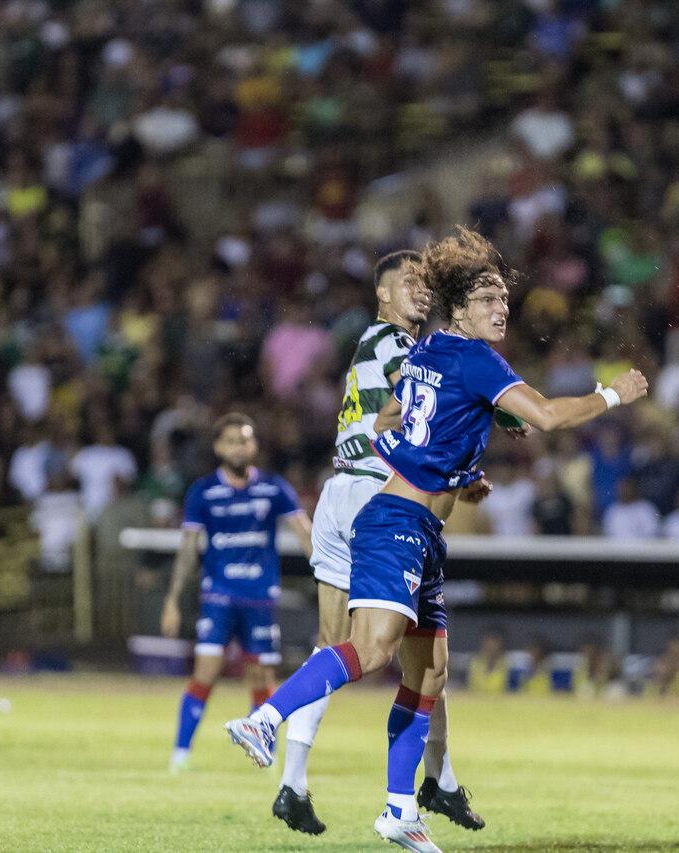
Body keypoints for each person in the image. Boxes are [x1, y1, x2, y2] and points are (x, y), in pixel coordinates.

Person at [225, 226, 648, 852]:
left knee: (430, 674)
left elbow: (390, 420)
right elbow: (551, 417)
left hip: (421, 529)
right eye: (486, 298)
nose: (500, 307)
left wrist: (453, 471)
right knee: (368, 652)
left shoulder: (426, 351)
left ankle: (400, 811)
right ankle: (264, 720)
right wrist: (614, 393)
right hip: (394, 524)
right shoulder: (476, 359)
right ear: (458, 307)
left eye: (503, 297)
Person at [273, 250, 484, 836]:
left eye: (424, 282)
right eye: (407, 282)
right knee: (421, 654)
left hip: (341, 496)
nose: (420, 289)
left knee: (333, 644)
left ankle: (293, 781)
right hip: (379, 502)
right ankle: (431, 785)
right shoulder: (393, 343)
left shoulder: (389, 344)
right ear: (383, 297)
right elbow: (418, 399)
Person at [161, 413, 312, 773]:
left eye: (244, 440)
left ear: (254, 445)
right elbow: (188, 548)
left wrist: (329, 575)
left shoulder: (273, 488)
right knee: (206, 672)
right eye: (230, 441)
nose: (238, 447)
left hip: (260, 598)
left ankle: (265, 755)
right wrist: (172, 600)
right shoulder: (203, 491)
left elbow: (305, 533)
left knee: (262, 677)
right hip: (219, 597)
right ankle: (181, 753)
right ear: (217, 447)